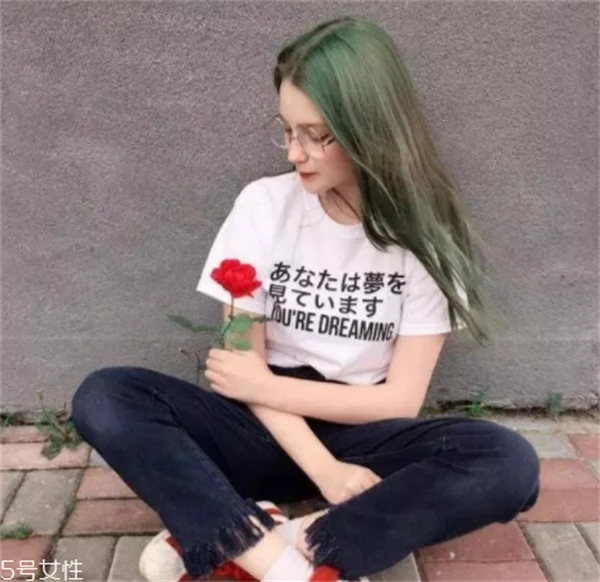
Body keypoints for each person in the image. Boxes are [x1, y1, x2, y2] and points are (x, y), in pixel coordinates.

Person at [70, 16, 540, 582]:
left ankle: (260, 538)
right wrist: (321, 469)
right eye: (288, 130)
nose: (297, 152)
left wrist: (288, 412)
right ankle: (285, 570)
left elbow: (400, 400)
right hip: (257, 429)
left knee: (508, 463)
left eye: (318, 135)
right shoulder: (264, 207)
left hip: (359, 432)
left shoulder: (424, 241)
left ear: (371, 130)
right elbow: (240, 366)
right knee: (107, 396)